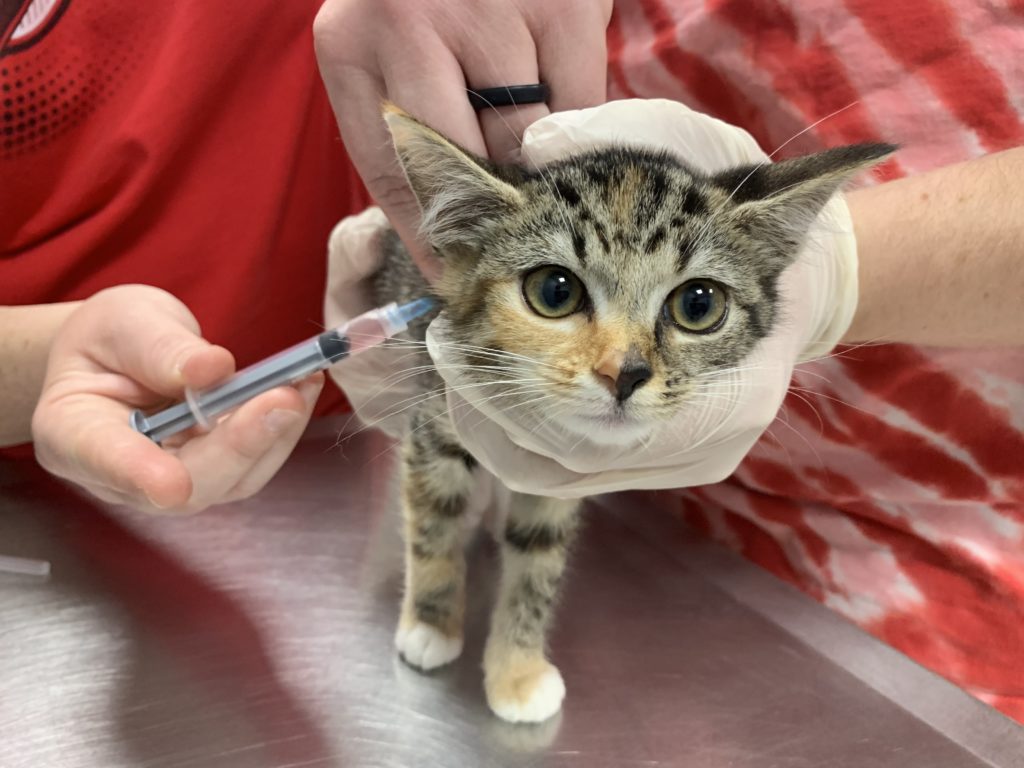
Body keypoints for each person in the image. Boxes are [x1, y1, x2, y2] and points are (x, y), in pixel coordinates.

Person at [1, 0, 1022, 721]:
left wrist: (841, 267)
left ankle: (512, 636)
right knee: (459, 466)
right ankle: (441, 599)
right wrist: (40, 352)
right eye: (559, 301)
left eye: (697, 306)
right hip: (715, 562)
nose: (623, 363)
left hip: (933, 588)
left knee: (540, 498)